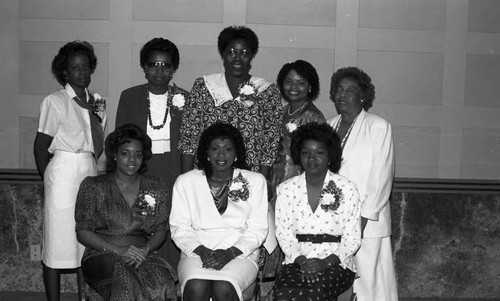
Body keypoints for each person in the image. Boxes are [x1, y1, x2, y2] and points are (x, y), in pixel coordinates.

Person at [33, 40, 106, 301]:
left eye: (86, 67)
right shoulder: (54, 102)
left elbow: (97, 142)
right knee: (57, 241)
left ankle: (84, 297)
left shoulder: (98, 101)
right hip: (63, 172)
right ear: (65, 72)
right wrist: (49, 181)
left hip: (89, 169)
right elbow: (41, 148)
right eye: (75, 68)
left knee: (86, 241)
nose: (82, 73)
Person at [75, 124, 177, 301]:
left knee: (161, 278)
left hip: (142, 253)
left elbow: (161, 229)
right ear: (114, 155)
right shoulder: (93, 186)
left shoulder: (156, 187)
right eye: (125, 153)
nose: (132, 160)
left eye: (138, 155)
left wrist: (146, 250)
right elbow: (83, 232)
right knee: (124, 276)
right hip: (102, 253)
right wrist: (119, 250)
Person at [170, 122, 268, 301]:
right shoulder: (186, 181)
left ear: (236, 153)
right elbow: (179, 228)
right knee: (196, 287)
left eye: (228, 149)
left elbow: (258, 229)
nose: (221, 155)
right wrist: (202, 251)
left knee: (223, 288)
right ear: (206, 153)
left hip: (240, 251)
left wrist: (229, 253)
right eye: (215, 149)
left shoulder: (254, 180)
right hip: (196, 249)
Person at [115, 37, 189, 270]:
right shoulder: (129, 96)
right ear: (144, 68)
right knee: (141, 221)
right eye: (153, 64)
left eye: (166, 65)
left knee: (171, 222)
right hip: (139, 168)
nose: (160, 70)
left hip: (174, 168)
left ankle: (172, 278)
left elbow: (190, 143)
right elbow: (120, 139)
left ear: (173, 68)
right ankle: (142, 276)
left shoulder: (186, 98)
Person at [327, 66, 398, 300]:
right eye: (339, 89)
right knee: (338, 279)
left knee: (368, 281)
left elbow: (381, 177)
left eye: (350, 90)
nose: (343, 95)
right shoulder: (329, 126)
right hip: (333, 217)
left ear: (363, 95)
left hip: (367, 219)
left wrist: (363, 219)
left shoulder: (378, 126)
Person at [178, 25, 282, 179]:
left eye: (244, 53)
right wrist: (186, 181)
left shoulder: (267, 91)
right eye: (231, 52)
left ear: (252, 56)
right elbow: (189, 138)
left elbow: (270, 142)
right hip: (207, 175)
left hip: (249, 175)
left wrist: (262, 182)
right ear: (223, 54)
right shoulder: (204, 86)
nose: (238, 58)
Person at [274, 122, 361, 301]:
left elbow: (352, 239)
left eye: (319, 153)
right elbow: (284, 235)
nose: (312, 159)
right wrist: (303, 262)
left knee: (313, 293)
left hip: (336, 262)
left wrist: (324, 263)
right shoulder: (286, 189)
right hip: (297, 260)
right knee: (283, 294)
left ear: (330, 156)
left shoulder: (347, 188)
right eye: (306, 153)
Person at [271, 60, 326, 207]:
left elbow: (318, 159)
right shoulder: (281, 112)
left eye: (300, 83)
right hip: (275, 180)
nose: (293, 87)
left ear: (310, 87)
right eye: (289, 82)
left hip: (299, 186)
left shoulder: (313, 117)